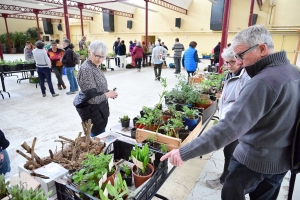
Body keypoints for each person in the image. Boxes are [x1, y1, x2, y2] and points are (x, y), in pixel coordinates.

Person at [161, 25, 300, 200]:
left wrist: (183, 152)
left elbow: (228, 128)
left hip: (253, 162)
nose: (239, 62)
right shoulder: (293, 72)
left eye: (241, 55)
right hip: (281, 164)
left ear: (262, 49)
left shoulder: (263, 82)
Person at [206, 47, 250, 189]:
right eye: (226, 62)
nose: (228, 65)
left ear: (240, 61)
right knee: (228, 150)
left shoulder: (246, 77)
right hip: (228, 120)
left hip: (236, 123)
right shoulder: (231, 74)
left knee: (230, 151)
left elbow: (241, 103)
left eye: (232, 62)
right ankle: (226, 176)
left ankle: (224, 181)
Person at [73, 41, 118, 137]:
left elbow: (97, 88)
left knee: (100, 134)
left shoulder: (94, 66)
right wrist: (108, 95)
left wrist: (109, 92)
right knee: (97, 138)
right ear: (89, 52)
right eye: (97, 56)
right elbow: (92, 99)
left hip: (99, 110)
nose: (100, 59)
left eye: (103, 57)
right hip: (92, 112)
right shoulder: (87, 69)